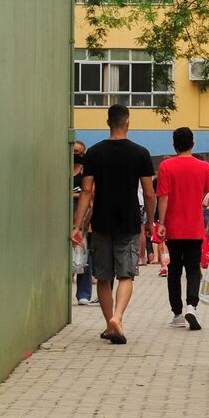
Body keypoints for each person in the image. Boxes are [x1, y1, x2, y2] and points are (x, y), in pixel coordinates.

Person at [71, 104, 155, 345]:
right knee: (126, 275)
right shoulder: (140, 153)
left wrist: (77, 226)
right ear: (128, 121)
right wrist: (149, 222)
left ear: (108, 122)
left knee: (104, 277)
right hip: (128, 221)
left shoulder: (95, 153)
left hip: (101, 222)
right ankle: (117, 318)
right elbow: (149, 194)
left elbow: (86, 190)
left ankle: (110, 324)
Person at [156, 127, 209, 331]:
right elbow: (206, 192)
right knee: (193, 269)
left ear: (173, 145)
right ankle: (192, 305)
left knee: (174, 271)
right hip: (195, 226)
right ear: (193, 144)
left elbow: (164, 197)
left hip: (173, 226)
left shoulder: (166, 166)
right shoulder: (204, 166)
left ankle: (177, 312)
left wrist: (161, 223)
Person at [72, 140, 95, 306]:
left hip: (81, 212)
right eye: (73, 151)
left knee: (83, 251)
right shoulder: (62, 167)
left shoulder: (85, 171)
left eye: (79, 152)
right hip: (62, 212)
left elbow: (90, 192)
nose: (76, 155)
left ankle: (83, 293)